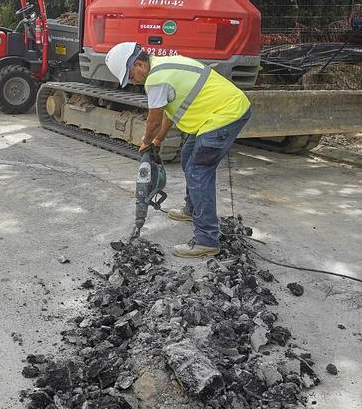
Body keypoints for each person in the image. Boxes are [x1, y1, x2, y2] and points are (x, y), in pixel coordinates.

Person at [104, 41, 252, 258]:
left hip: (224, 116)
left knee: (198, 171)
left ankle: (207, 240)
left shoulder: (156, 79)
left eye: (131, 76)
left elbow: (153, 121)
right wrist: (157, 142)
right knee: (187, 156)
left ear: (138, 64)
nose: (133, 82)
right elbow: (169, 113)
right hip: (217, 115)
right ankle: (192, 210)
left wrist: (145, 142)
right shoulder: (165, 65)